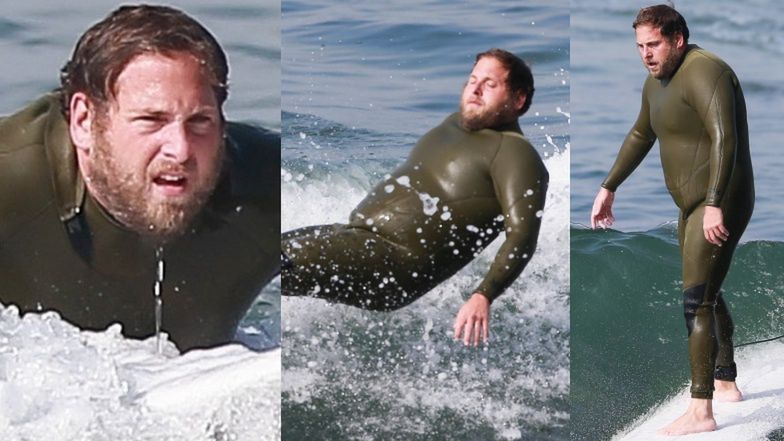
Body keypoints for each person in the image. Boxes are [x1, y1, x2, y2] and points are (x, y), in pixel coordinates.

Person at [0, 5, 280, 351]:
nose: (180, 150)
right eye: (151, 120)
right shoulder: (10, 180)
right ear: (84, 122)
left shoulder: (263, 184)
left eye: (200, 121)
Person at [282, 48, 548, 346]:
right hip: (359, 239)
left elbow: (522, 237)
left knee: (274, 261)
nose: (474, 89)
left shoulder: (516, 154)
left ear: (519, 99)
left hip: (392, 262)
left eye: (490, 84)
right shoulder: (454, 124)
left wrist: (483, 294)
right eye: (472, 79)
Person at [590, 5, 754, 436]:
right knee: (708, 290)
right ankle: (726, 380)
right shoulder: (656, 81)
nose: (645, 54)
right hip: (691, 202)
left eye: (653, 45)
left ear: (678, 39)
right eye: (640, 46)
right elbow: (642, 134)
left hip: (722, 199)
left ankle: (702, 411)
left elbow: (725, 137)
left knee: (696, 299)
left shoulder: (707, 72)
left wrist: (715, 202)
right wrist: (609, 186)